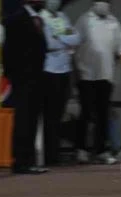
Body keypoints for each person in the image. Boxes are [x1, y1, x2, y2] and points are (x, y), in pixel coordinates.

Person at [74, 0, 121, 165]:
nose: (104, 5)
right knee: (86, 112)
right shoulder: (84, 20)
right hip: (86, 75)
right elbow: (73, 45)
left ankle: (101, 150)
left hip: (105, 75)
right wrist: (75, 72)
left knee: (102, 114)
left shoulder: (113, 22)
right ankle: (81, 149)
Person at [2, 0, 48, 174]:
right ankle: (20, 161)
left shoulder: (37, 19)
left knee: (32, 119)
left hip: (37, 78)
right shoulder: (16, 19)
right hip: (23, 78)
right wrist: (13, 74)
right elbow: (8, 50)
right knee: (23, 120)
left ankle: (29, 160)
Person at [40, 0, 80, 166]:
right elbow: (49, 42)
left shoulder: (63, 17)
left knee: (59, 114)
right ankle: (48, 156)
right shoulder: (42, 17)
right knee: (49, 115)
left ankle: (55, 153)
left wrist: (60, 38)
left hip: (65, 69)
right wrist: (65, 40)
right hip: (49, 70)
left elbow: (76, 38)